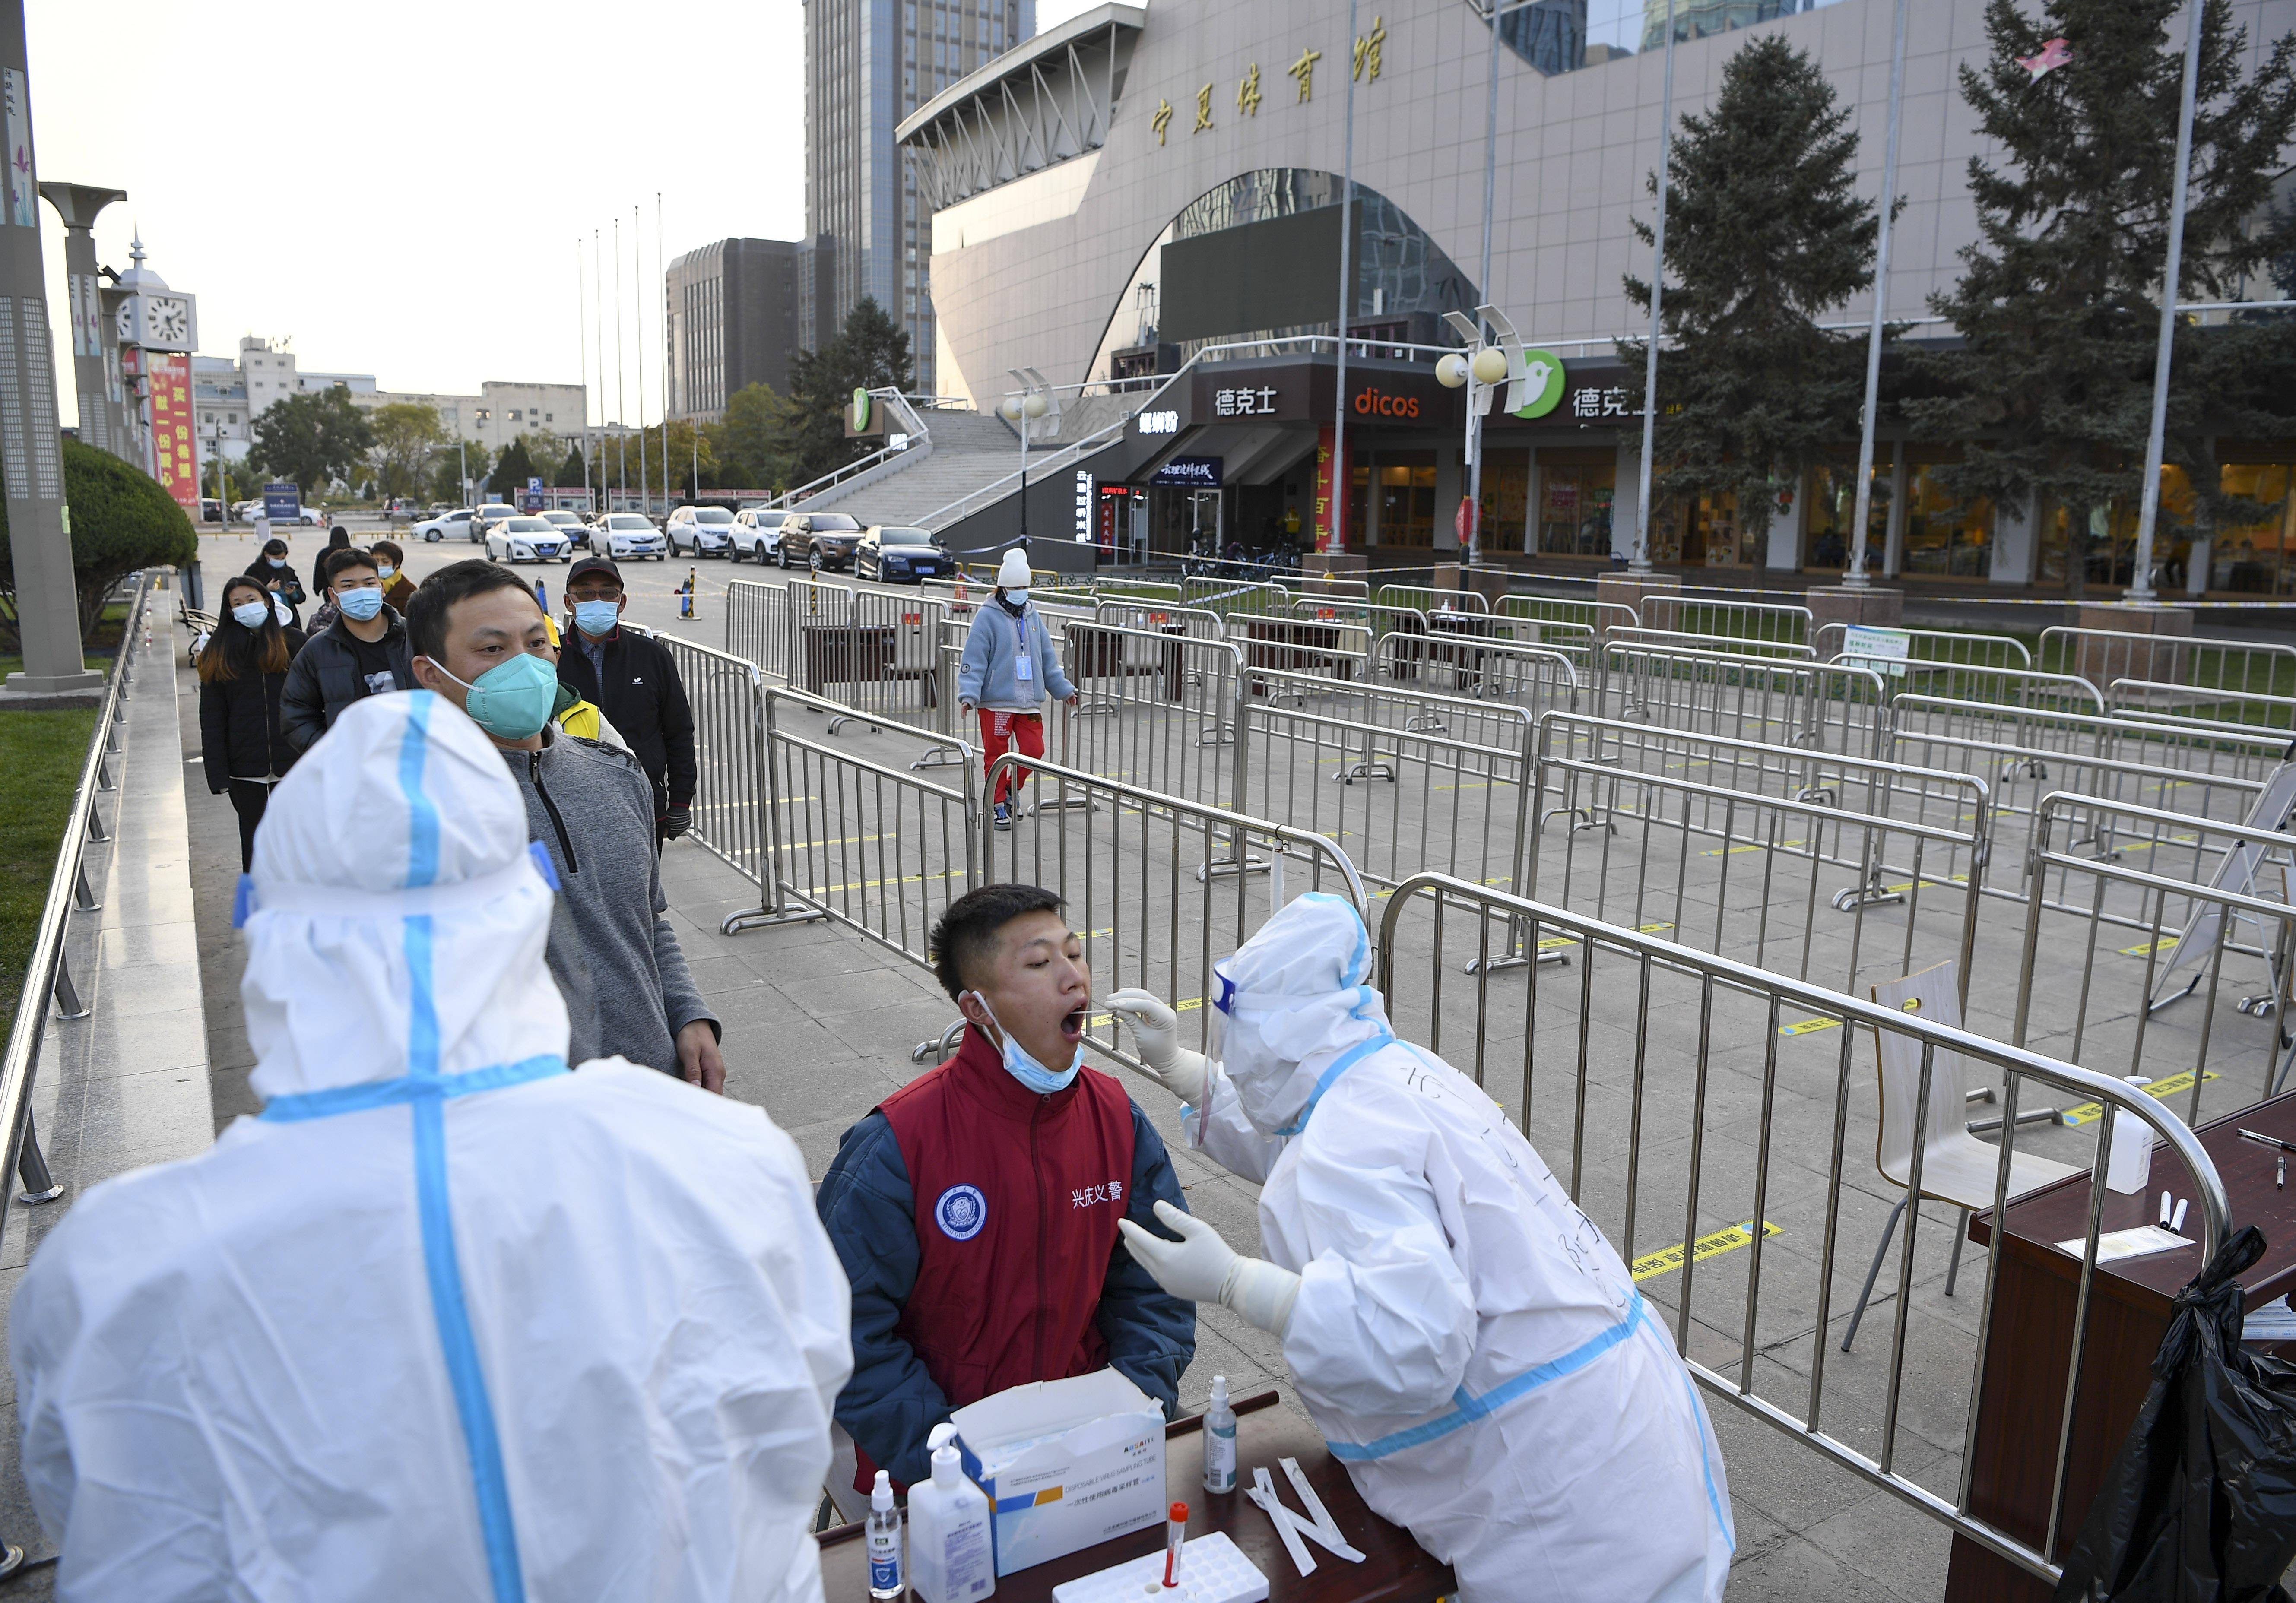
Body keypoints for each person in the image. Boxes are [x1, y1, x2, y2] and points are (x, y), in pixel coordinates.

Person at [10, 692, 851, 1600]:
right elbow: (787, 1440)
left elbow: (119, 1526)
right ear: (525, 911)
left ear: (271, 929)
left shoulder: (122, 1264)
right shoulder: (723, 1165)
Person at [1106, 894, 1735, 1603]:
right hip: (1623, 1431)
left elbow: (1415, 1348)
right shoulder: (1389, 1071)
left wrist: (1240, 1285)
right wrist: (1188, 1072)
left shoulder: (1347, 1140)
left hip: (1555, 1489)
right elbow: (1308, 1127)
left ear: (1268, 1035)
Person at [813, 883, 1193, 1495]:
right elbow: (845, 1333)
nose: (1074, 978)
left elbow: (1161, 1283)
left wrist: (1134, 1399)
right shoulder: (898, 1145)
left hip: (1093, 1441)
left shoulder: (1117, 1117)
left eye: (1074, 953)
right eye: (1040, 964)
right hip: (941, 1463)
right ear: (978, 1009)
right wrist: (946, 1458)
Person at [408, 559, 721, 1084]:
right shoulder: (412, 813)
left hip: (652, 1088)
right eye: (492, 650)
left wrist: (688, 1015)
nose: (524, 665)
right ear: (431, 675)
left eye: (536, 643)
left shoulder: (617, 773)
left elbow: (646, 922)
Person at [556, 556, 698, 846]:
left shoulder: (653, 657)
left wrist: (681, 800)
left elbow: (679, 732)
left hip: (644, 805)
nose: (597, 600)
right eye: (585, 593)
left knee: (641, 891)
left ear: (621, 603)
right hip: (570, 811)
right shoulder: (551, 660)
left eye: (607, 593)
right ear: (569, 602)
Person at [956, 548, 1076, 831]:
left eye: (1025, 588)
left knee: (1034, 750)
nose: (1022, 593)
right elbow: (974, 658)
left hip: (1028, 703)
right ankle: (997, 803)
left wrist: (1063, 689)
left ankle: (1011, 790)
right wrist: (969, 694)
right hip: (996, 702)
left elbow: (1047, 657)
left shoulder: (1033, 616)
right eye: (1016, 588)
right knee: (996, 755)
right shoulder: (987, 617)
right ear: (1003, 587)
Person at [197, 577, 307, 871]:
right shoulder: (218, 653)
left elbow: (315, 704)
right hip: (245, 770)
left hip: (294, 765)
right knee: (256, 846)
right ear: (229, 611)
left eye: (251, 600)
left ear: (267, 601)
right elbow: (212, 719)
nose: (246, 607)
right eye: (237, 604)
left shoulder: (296, 643)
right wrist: (218, 774)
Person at [280, 547, 413, 750]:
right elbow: (296, 715)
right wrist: (334, 754)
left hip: (417, 763)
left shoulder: (416, 637)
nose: (361, 592)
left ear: (381, 588)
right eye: (349, 586)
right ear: (333, 596)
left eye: (369, 584)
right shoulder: (317, 651)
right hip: (353, 774)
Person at [243, 536, 305, 629]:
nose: (280, 561)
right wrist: (266, 589)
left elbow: (301, 597)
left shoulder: (288, 572)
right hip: (265, 622)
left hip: (289, 620)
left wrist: (293, 593)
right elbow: (246, 595)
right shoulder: (254, 571)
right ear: (266, 555)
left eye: (283, 558)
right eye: (277, 558)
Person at [371, 539, 415, 612]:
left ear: (397, 564)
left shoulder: (409, 590)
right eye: (376, 561)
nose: (380, 565)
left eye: (385, 562)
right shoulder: (366, 584)